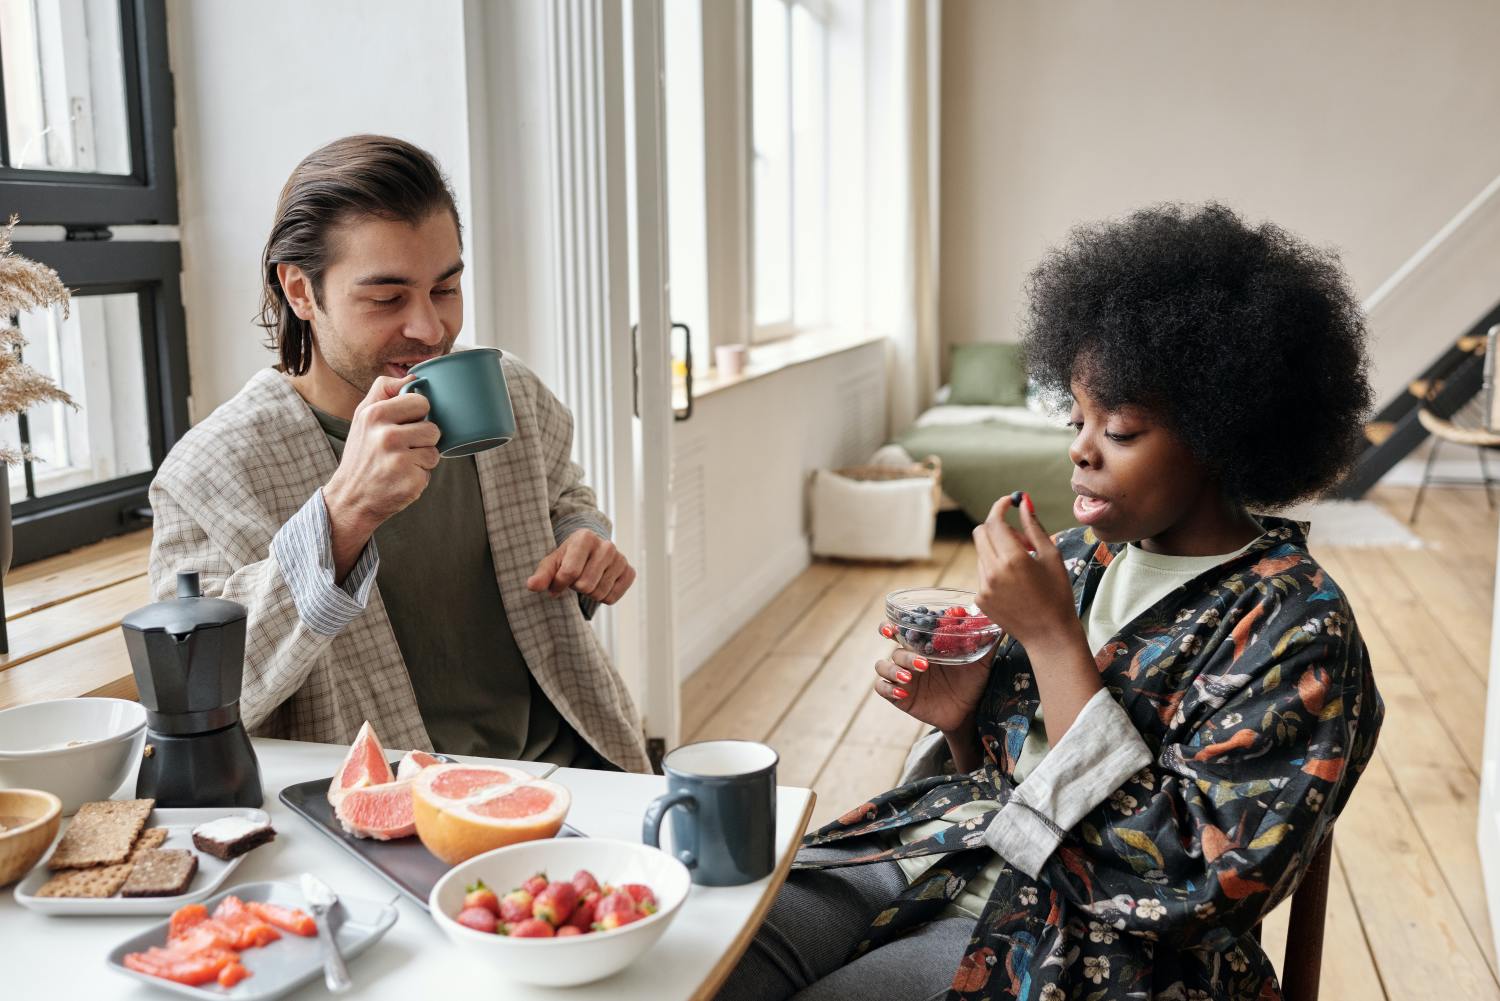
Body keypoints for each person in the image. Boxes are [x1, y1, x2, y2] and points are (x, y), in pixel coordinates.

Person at [716, 202, 1383, 1000]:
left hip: (1087, 945)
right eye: (1076, 417)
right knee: (706, 954)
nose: (1080, 447)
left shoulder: (1296, 627)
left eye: (1123, 429)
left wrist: (1053, 641)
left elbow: (1194, 885)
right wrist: (963, 721)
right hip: (949, 853)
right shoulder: (1074, 558)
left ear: (1221, 431)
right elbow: (1007, 778)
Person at [148, 135, 648, 772]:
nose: (430, 330)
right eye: (387, 298)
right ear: (300, 291)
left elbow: (563, 497)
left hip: (579, 766)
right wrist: (343, 515)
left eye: (445, 289)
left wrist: (584, 540)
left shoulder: (508, 390)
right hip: (384, 811)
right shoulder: (210, 471)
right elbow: (194, 697)